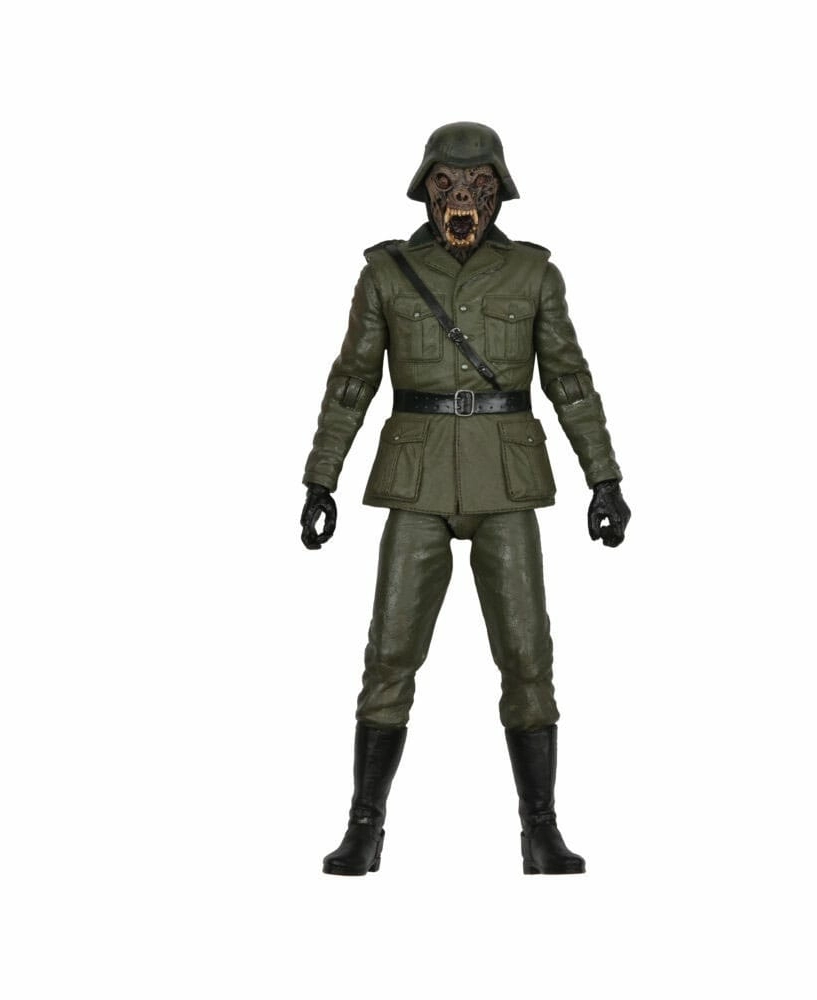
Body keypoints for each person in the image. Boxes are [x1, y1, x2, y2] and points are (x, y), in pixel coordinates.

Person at [301, 122, 630, 875]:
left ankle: (540, 829)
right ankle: (364, 826)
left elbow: (569, 381)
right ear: (425, 190)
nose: (461, 199)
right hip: (414, 481)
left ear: (499, 193)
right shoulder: (386, 274)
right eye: (446, 184)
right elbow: (352, 381)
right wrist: (322, 476)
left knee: (528, 656)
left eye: (478, 186)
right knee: (389, 654)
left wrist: (604, 477)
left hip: (506, 483)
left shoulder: (534, 274)